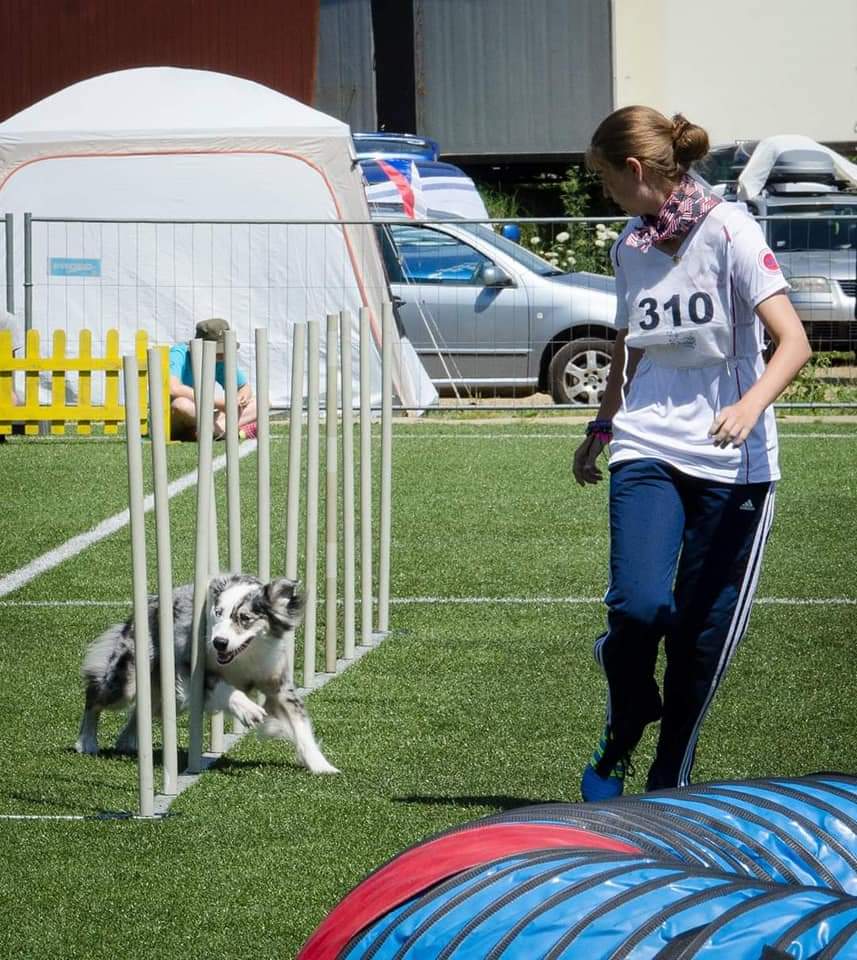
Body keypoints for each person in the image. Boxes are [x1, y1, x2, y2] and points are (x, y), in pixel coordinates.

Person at [574, 106, 811, 802]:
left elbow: (794, 341)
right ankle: (626, 716)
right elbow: (629, 341)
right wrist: (602, 425)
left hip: (733, 461)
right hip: (646, 440)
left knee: (700, 638)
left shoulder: (729, 229)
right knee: (640, 607)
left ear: (635, 169)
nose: (606, 194)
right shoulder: (630, 245)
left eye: (606, 180)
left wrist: (749, 405)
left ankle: (668, 776)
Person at [169, 318, 257, 441]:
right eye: (218, 350)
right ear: (201, 346)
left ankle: (205, 431)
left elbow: (244, 387)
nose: (222, 355)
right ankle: (228, 430)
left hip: (204, 416)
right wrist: (218, 403)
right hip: (176, 417)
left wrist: (241, 398)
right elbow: (173, 389)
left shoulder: (219, 360)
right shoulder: (178, 354)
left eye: (224, 349)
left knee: (261, 402)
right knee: (181, 404)